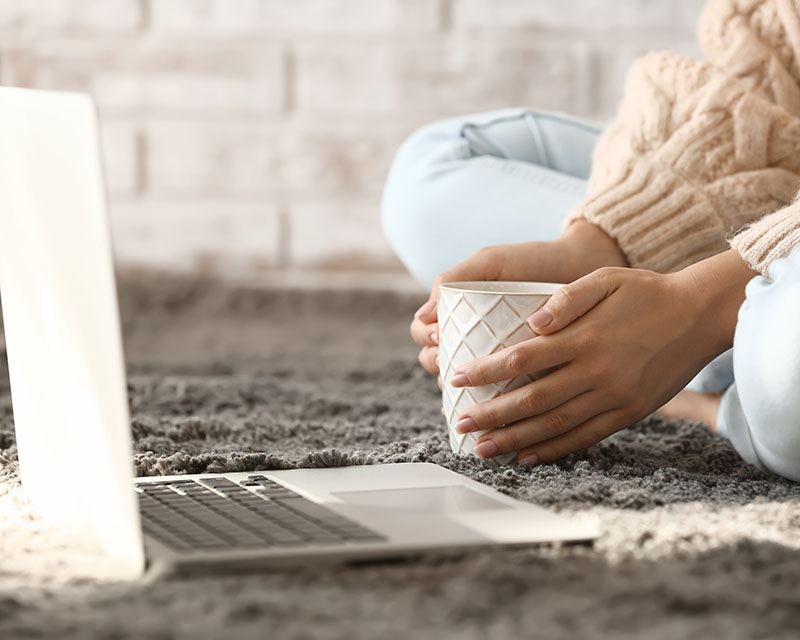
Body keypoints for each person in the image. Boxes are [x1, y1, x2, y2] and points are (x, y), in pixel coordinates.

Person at [381, 0, 800, 482]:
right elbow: (771, 58)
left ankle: (702, 373)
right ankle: (670, 332)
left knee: (788, 386)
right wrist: (605, 240)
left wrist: (702, 305)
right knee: (428, 179)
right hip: (772, 196)